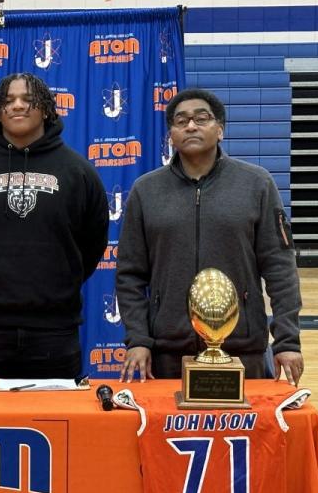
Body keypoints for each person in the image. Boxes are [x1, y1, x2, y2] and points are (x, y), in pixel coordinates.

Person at [116, 88, 304, 385]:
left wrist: (287, 341)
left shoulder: (256, 184)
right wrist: (139, 339)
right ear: (171, 135)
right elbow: (129, 276)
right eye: (181, 121)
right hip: (167, 356)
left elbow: (280, 268)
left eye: (201, 118)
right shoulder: (145, 191)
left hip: (244, 352)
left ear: (220, 130)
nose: (191, 126)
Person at [0, 72, 109, 379]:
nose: (17, 106)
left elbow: (92, 242)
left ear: (45, 108)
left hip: (54, 332)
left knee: (56, 424)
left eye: (28, 100)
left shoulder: (78, 172)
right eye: (8, 101)